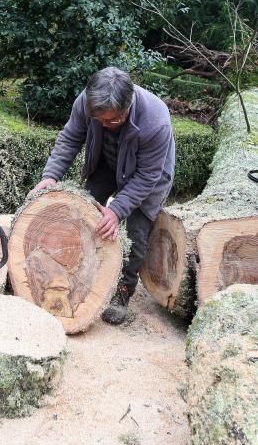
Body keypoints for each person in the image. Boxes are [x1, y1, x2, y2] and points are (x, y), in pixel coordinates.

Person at [29, 67, 175, 325]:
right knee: (82, 214)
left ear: (128, 106)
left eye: (112, 121)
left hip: (148, 177)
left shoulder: (156, 120)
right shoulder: (86, 102)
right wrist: (49, 177)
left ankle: (122, 291)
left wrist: (116, 210)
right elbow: (70, 139)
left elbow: (146, 176)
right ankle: (83, 275)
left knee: (135, 235)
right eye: (100, 121)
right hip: (108, 163)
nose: (105, 125)